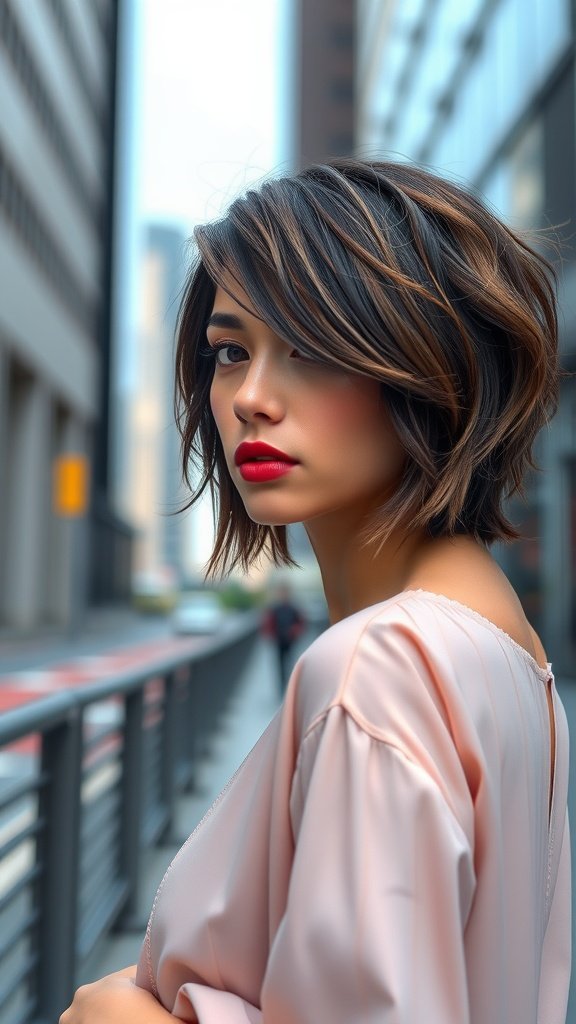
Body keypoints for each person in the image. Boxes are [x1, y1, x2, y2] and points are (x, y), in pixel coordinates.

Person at [61, 159, 571, 1023]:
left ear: (428, 365)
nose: (251, 399)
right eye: (231, 352)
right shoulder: (504, 647)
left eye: (312, 350)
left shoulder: (383, 666)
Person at [262, 583, 307, 694]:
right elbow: (268, 624)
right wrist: (270, 635)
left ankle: (289, 688)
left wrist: (294, 632)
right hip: (279, 641)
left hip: (290, 641)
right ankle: (282, 689)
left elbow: (301, 623)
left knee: (291, 664)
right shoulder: (275, 608)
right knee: (280, 666)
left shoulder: (293, 608)